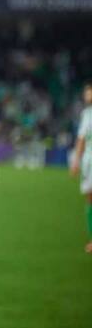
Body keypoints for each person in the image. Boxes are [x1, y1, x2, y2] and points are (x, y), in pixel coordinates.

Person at [70, 82, 92, 253]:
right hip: (89, 161)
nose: (87, 95)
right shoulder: (86, 114)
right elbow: (81, 139)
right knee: (89, 197)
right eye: (87, 92)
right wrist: (76, 161)